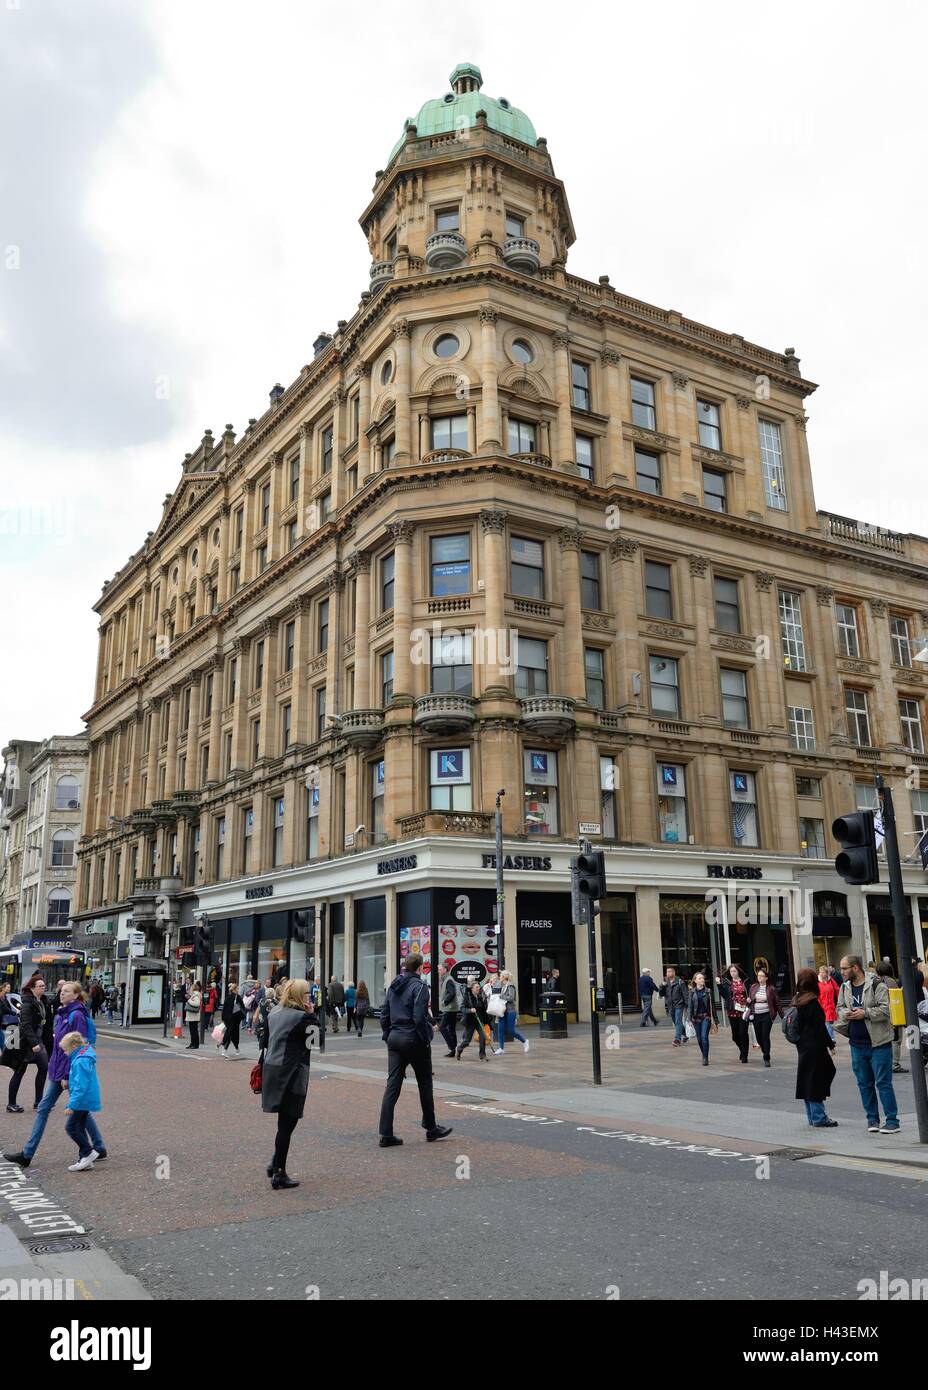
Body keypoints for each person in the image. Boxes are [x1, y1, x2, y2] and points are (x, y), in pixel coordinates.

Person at [5, 982, 106, 1170]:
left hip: (66, 1072)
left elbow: (78, 1047)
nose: (62, 993)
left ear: (75, 996)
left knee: (45, 1109)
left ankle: (27, 1154)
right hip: (58, 1068)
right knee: (79, 1108)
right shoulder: (63, 1013)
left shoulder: (76, 1016)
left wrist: (67, 1074)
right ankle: (99, 1147)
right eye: (61, 991)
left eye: (66, 991)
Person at [377, 953, 451, 1148]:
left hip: (395, 1037)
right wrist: (425, 1038)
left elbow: (384, 1014)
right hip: (413, 1038)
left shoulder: (394, 985)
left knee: (392, 1086)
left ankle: (385, 1133)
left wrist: (388, 1035)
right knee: (425, 1083)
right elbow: (419, 1017)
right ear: (420, 968)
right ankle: (431, 1127)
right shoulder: (419, 987)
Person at [261, 978, 317, 1189]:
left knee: (284, 1124)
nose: (309, 997)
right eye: (306, 994)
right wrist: (312, 1015)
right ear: (299, 996)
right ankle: (279, 1173)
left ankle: (275, 1162)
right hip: (292, 1072)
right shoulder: (302, 1018)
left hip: (272, 1069)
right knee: (287, 1124)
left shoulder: (274, 1012)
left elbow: (264, 1041)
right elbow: (316, 1042)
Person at [836, 955, 899, 1135]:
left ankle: (893, 1121)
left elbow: (886, 1009)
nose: (842, 972)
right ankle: (872, 1119)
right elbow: (839, 1007)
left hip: (879, 1043)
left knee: (883, 1083)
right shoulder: (845, 987)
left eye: (845, 968)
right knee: (864, 1084)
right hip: (856, 1044)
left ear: (855, 968)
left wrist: (865, 1013)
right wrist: (845, 1013)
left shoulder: (876, 984)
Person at [792, 967, 837, 1127]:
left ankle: (812, 1116)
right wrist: (830, 1044)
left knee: (807, 1079)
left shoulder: (797, 1000)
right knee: (817, 1079)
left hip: (802, 1046)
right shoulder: (812, 1002)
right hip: (815, 1046)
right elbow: (820, 1028)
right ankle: (819, 1117)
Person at [60, 1030, 103, 1170]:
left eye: (65, 1050)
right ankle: (85, 1159)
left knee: (70, 1127)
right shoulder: (82, 1057)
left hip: (82, 1101)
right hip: (85, 1099)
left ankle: (89, 1152)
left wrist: (71, 1105)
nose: (65, 1053)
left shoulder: (80, 1061)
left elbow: (80, 1086)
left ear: (73, 1047)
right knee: (79, 1127)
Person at [7, 975, 49, 1113]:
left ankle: (39, 1102)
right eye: (40, 986)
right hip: (26, 1043)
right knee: (19, 1072)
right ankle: (11, 1104)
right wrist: (34, 1043)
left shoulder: (41, 1001)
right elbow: (26, 1025)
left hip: (38, 1041)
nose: (43, 988)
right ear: (32, 988)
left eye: (44, 986)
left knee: (44, 1068)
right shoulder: (27, 1003)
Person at [874, 961, 909, 1075]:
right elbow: (896, 1001)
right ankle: (895, 1064)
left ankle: (887, 1063)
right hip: (893, 1014)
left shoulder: (876, 982)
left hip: (881, 1014)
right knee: (896, 1040)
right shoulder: (891, 982)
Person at [747, 968, 783, 1067]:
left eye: (762, 976)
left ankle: (766, 1057)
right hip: (756, 1015)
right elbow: (749, 1003)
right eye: (758, 976)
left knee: (765, 1036)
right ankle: (765, 1051)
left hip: (767, 1015)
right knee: (759, 1038)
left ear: (766, 978)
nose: (760, 978)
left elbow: (777, 1003)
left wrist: (783, 1016)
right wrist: (748, 1001)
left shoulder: (771, 988)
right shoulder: (753, 987)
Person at [717, 964, 751, 1063]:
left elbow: (751, 992)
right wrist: (719, 984)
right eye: (731, 971)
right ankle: (742, 1049)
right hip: (732, 1011)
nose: (733, 973)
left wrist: (750, 999)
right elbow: (724, 995)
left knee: (743, 1033)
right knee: (735, 1035)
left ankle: (745, 1054)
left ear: (738, 972)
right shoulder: (728, 983)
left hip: (744, 1011)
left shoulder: (745, 981)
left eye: (734, 971)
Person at [493, 970, 529, 1054]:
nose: (500, 977)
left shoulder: (510, 986)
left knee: (511, 1031)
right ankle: (501, 1048)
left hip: (510, 1011)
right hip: (502, 1011)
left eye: (501, 976)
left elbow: (511, 997)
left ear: (505, 977)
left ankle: (524, 1041)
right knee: (500, 1029)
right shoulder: (503, 985)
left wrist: (501, 996)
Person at [686, 972, 717, 1065]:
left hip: (706, 1017)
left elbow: (713, 1006)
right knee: (699, 1039)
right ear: (695, 980)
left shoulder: (708, 991)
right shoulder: (692, 992)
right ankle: (704, 1053)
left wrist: (715, 1019)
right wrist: (689, 1019)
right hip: (696, 1018)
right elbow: (690, 1006)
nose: (702, 980)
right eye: (699, 978)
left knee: (704, 1037)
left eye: (702, 978)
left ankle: (705, 1058)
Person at [456, 977, 490, 1060]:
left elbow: (483, 1009)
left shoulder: (480, 997)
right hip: (470, 1021)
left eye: (479, 987)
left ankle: (482, 1054)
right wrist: (470, 1010)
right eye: (477, 987)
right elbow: (462, 1008)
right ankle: (459, 1049)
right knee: (467, 1041)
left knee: (483, 1037)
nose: (479, 988)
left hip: (479, 1021)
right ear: (472, 989)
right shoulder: (467, 997)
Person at [436, 965, 460, 1056]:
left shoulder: (448, 980)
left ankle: (452, 1047)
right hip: (452, 1008)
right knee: (451, 1029)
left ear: (445, 970)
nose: (438, 971)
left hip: (450, 1009)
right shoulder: (446, 979)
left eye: (440, 969)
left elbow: (452, 993)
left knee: (442, 1027)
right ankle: (454, 1051)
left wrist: (445, 1002)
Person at [663, 967, 689, 1046]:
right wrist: (661, 986)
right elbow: (661, 994)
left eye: (670, 971)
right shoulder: (666, 983)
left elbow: (685, 994)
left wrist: (687, 1006)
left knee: (678, 1021)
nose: (668, 973)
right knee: (676, 1021)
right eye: (667, 972)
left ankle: (677, 1039)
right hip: (671, 1005)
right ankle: (685, 1034)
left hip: (679, 1004)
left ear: (674, 973)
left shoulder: (680, 982)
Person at [220, 982, 245, 1057]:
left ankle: (236, 1049)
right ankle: (225, 1049)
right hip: (235, 1018)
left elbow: (224, 1009)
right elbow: (243, 1007)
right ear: (234, 989)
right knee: (232, 1034)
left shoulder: (227, 997)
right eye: (237, 988)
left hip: (227, 1018)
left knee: (231, 1033)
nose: (238, 990)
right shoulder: (238, 997)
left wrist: (222, 1018)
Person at [817, 965, 840, 1044]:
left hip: (831, 1005)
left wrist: (840, 1000)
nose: (821, 974)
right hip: (823, 1006)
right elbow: (817, 995)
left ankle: (825, 1038)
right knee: (828, 1023)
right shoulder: (818, 982)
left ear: (827, 973)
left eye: (823, 972)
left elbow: (837, 989)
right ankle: (831, 1039)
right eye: (820, 972)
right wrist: (819, 1005)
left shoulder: (831, 981)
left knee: (830, 1023)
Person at [184, 980, 202, 1050]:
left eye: (191, 988)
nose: (190, 989)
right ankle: (192, 1043)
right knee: (192, 1030)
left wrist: (189, 1000)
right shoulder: (194, 995)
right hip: (192, 1015)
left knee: (194, 1030)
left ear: (193, 989)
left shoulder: (196, 995)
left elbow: (197, 1004)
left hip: (193, 1016)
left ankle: (195, 1044)